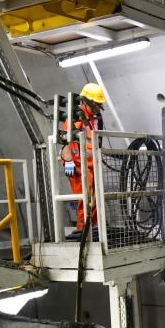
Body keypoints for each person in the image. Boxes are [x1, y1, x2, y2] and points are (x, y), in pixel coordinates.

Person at [61, 83, 105, 240]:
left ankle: (92, 230)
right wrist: (69, 161)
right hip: (79, 166)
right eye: (97, 103)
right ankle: (82, 233)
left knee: (94, 200)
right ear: (86, 101)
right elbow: (64, 142)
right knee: (85, 200)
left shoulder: (93, 119)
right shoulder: (75, 118)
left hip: (91, 166)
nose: (99, 106)